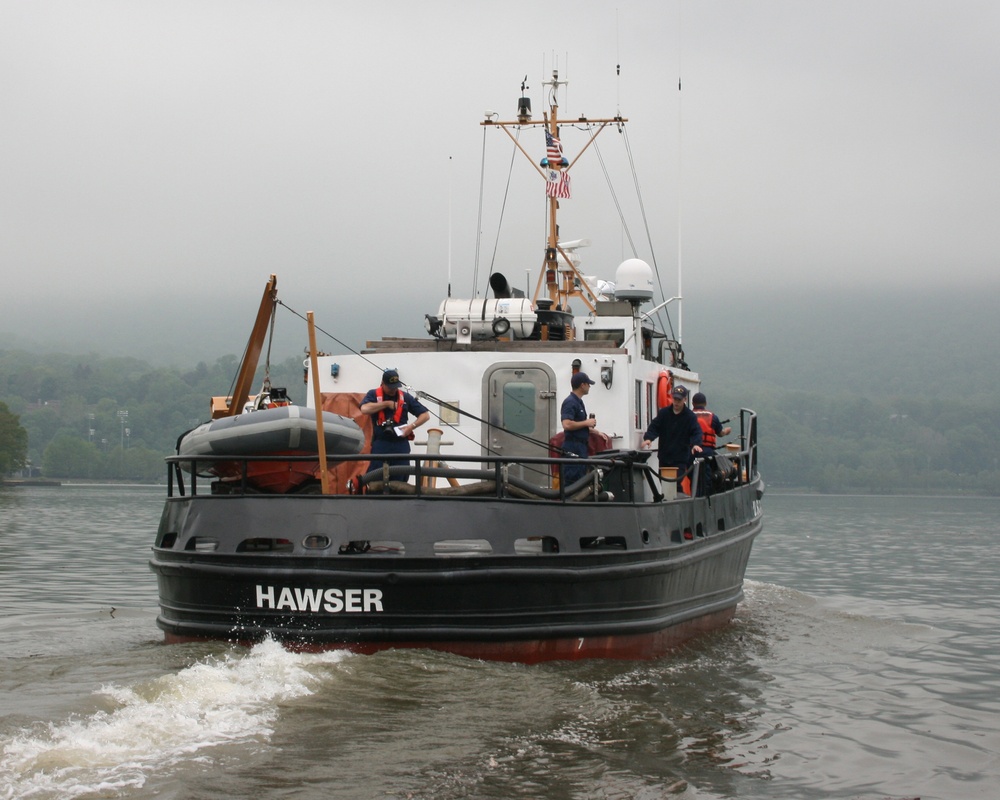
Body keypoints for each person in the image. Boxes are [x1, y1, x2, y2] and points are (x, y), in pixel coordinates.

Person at [359, 369, 431, 476]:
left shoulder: (405, 397)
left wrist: (411, 427)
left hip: (400, 444)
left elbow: (425, 415)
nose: (393, 390)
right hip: (381, 443)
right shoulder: (373, 394)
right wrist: (387, 404)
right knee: (376, 476)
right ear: (382, 383)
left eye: (395, 387)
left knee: (401, 475)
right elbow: (364, 409)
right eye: (390, 387)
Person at [640, 384, 703, 494]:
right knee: (664, 483)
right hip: (664, 456)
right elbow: (655, 426)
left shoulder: (690, 416)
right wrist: (649, 438)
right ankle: (670, 501)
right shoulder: (664, 413)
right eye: (675, 399)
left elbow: (696, 431)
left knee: (675, 482)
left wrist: (696, 444)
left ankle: (677, 502)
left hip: (680, 458)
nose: (676, 402)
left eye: (679, 400)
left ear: (685, 399)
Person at [560, 372, 597, 485]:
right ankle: (570, 500)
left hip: (581, 447)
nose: (589, 386)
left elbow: (578, 425)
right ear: (582, 385)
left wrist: (596, 432)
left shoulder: (579, 402)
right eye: (588, 384)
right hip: (573, 447)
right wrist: (586, 422)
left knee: (580, 478)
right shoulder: (570, 402)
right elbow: (566, 424)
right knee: (572, 479)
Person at [691, 392, 731, 457]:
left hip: (691, 450)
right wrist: (726, 431)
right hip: (707, 451)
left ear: (692, 404)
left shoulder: (687, 416)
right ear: (705, 403)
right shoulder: (713, 417)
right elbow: (720, 434)